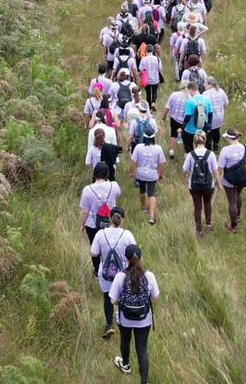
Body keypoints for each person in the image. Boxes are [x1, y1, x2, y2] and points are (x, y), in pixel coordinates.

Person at [111, 244, 160, 384]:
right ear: (141, 258)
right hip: (144, 319)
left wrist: (123, 303)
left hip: (124, 318)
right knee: (142, 349)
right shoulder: (149, 276)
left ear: (125, 258)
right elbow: (155, 297)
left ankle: (125, 365)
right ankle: (144, 381)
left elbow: (113, 300)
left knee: (125, 341)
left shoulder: (120, 277)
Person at [91, 207, 136, 340]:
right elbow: (135, 253)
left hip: (105, 273)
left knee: (107, 298)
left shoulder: (100, 234)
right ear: (122, 219)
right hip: (122, 274)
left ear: (109, 218)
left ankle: (109, 324)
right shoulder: (127, 234)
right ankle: (123, 323)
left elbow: (94, 253)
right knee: (122, 297)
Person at [79, 163, 122, 276]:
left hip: (93, 225)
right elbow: (118, 194)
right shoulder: (114, 186)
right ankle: (112, 269)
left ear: (94, 174)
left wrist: (82, 224)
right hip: (111, 222)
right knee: (111, 246)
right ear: (107, 173)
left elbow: (84, 211)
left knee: (95, 248)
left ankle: (98, 272)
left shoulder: (87, 190)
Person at [182, 131, 219, 237]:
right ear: (205, 140)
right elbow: (215, 171)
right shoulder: (210, 154)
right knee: (207, 203)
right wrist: (219, 183)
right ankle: (208, 225)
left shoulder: (190, 155)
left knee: (197, 207)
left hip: (194, 185)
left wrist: (186, 175)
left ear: (194, 141)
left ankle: (198, 230)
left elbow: (185, 170)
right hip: (208, 185)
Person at [130, 126, 165, 226]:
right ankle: (152, 215)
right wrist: (161, 174)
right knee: (152, 193)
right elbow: (161, 164)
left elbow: (133, 162)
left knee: (142, 190)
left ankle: (144, 207)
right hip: (152, 174)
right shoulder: (158, 148)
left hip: (140, 173)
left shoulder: (138, 147)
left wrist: (131, 173)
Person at [218, 129, 246, 233]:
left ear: (229, 138)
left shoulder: (225, 150)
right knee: (238, 195)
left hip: (229, 179)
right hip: (243, 178)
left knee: (232, 202)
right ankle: (238, 216)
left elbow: (220, 168)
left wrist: (217, 180)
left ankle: (233, 226)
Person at [182, 82, 213, 154]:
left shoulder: (189, 102)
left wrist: (183, 127)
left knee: (189, 146)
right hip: (203, 129)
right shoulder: (206, 99)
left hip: (191, 130)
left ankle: (191, 157)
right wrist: (209, 125)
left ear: (190, 90)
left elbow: (188, 116)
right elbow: (210, 114)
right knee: (203, 145)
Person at [202, 77, 229, 151]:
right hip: (219, 117)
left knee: (208, 133)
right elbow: (226, 105)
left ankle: (208, 150)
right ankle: (216, 147)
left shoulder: (205, 94)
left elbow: (202, 107)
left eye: (205, 83)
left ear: (210, 84)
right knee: (216, 130)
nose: (204, 85)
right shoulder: (221, 91)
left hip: (209, 118)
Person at [163, 82, 188, 159]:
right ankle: (186, 153)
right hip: (185, 121)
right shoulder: (190, 97)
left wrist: (164, 116)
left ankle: (171, 151)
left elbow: (167, 107)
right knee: (186, 136)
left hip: (174, 119)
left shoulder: (174, 94)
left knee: (173, 134)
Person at [138, 44, 162, 109]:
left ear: (146, 50)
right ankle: (153, 102)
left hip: (147, 80)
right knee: (155, 91)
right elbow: (160, 69)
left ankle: (149, 107)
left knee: (148, 93)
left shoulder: (143, 59)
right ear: (153, 50)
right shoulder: (157, 59)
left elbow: (140, 70)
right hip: (155, 78)